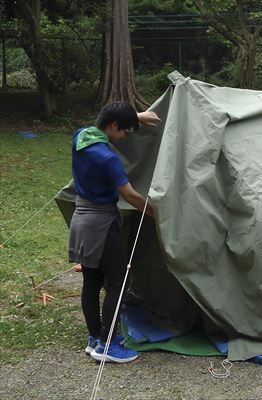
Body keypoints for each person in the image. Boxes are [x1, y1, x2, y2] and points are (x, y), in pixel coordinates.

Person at [68, 102, 160, 363]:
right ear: (113, 126)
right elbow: (130, 196)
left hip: (81, 220)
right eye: (125, 131)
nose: (127, 136)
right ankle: (107, 345)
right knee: (119, 282)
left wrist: (136, 116)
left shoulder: (80, 137)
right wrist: (157, 214)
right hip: (101, 224)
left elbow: (99, 125)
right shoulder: (108, 158)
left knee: (92, 282)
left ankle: (95, 338)